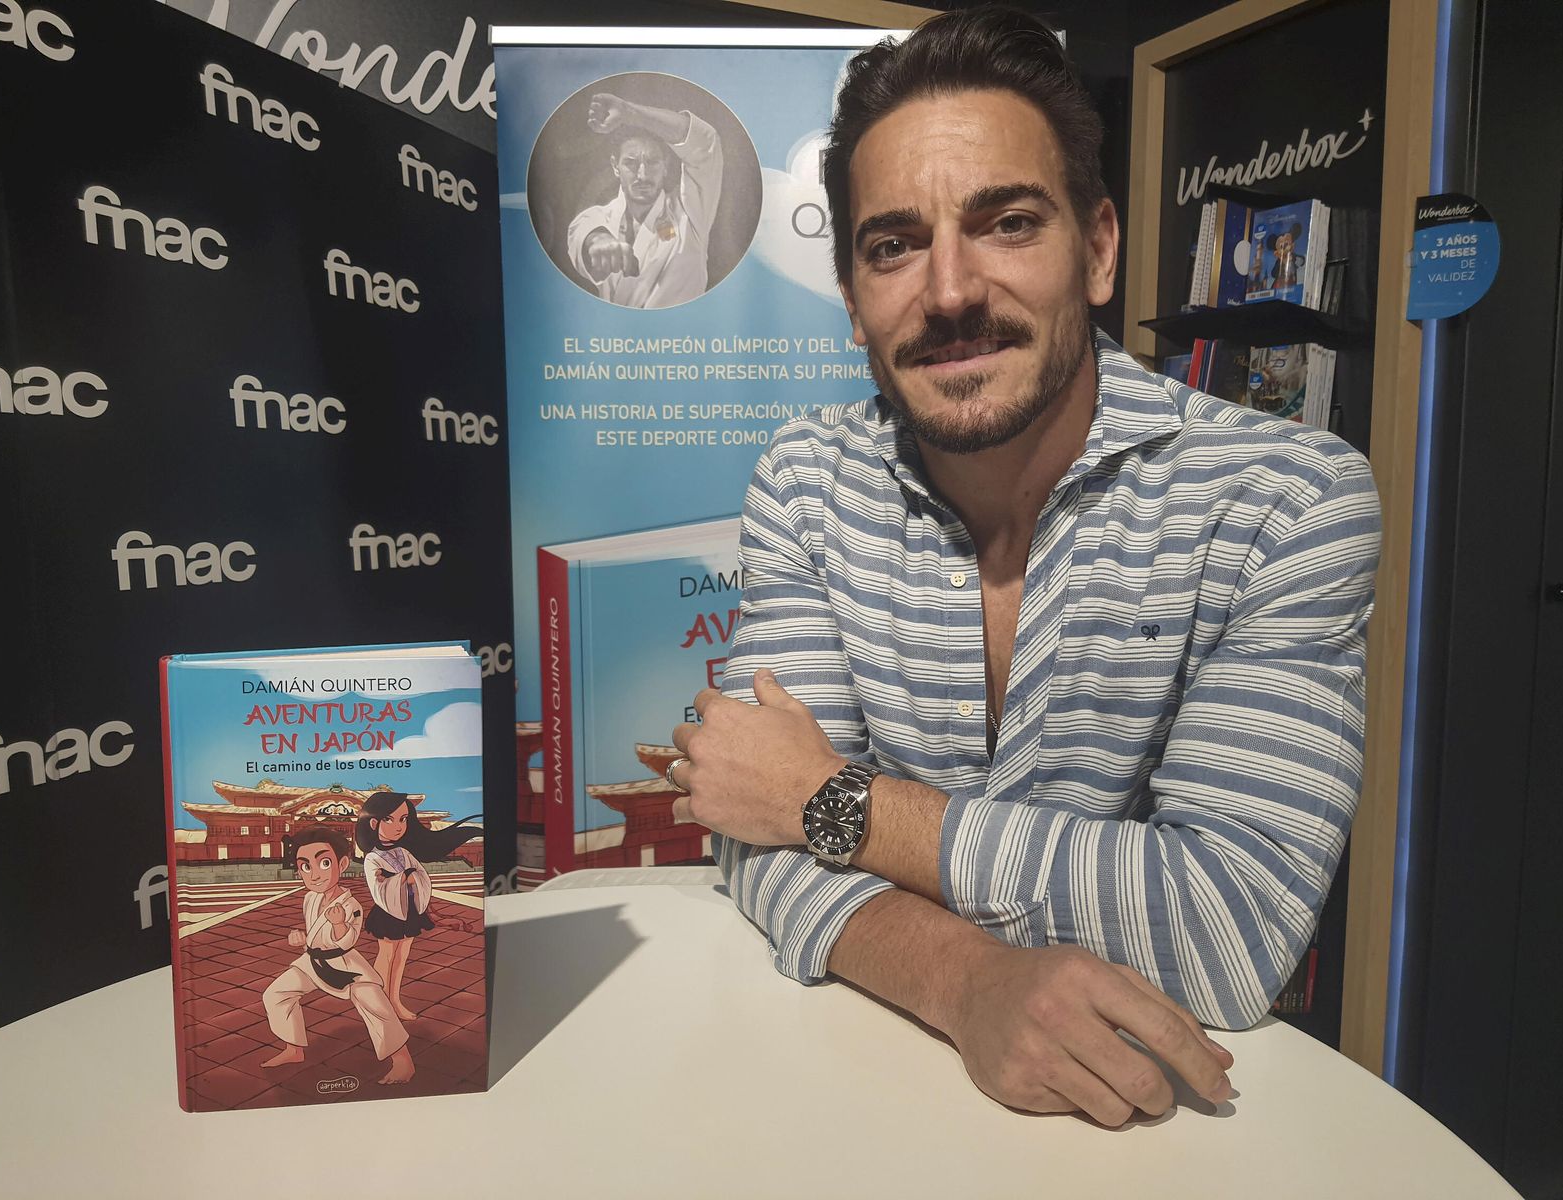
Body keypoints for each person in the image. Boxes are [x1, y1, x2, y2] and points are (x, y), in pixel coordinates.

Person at [665, 6, 1381, 1128]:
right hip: (849, 1096)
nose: (947, 290)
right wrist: (968, 982)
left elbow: (1229, 924)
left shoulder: (1283, 500)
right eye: (892, 245)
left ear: (1096, 251)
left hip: (1154, 1121)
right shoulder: (806, 481)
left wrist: (830, 800)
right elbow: (754, 830)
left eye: (1004, 222)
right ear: (853, 300)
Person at [260, 826, 414, 1086]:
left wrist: (340, 924)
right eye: (305, 866)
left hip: (344, 965)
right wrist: (299, 939)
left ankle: (402, 1060)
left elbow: (346, 942)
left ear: (342, 864)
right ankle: (293, 1049)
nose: (314, 874)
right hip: (313, 962)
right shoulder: (310, 898)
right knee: (275, 994)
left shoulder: (349, 904)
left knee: (375, 1005)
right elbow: (314, 936)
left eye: (324, 862)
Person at [566, 92, 723, 308]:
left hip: (684, 338)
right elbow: (583, 233)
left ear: (666, 166)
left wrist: (630, 113)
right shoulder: (598, 217)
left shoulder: (690, 212)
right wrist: (599, 242)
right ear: (615, 166)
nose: (642, 175)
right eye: (631, 163)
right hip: (619, 339)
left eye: (652, 162)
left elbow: (706, 143)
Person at [356, 790, 480, 1021]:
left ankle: (394, 999)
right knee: (387, 956)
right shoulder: (372, 857)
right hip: (389, 912)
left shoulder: (403, 851)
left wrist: (413, 880)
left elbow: (421, 878)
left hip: (410, 909)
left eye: (403, 819)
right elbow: (379, 887)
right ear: (374, 823)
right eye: (389, 819)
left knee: (402, 956)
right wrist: (404, 878)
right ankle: (377, 1003)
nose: (398, 826)